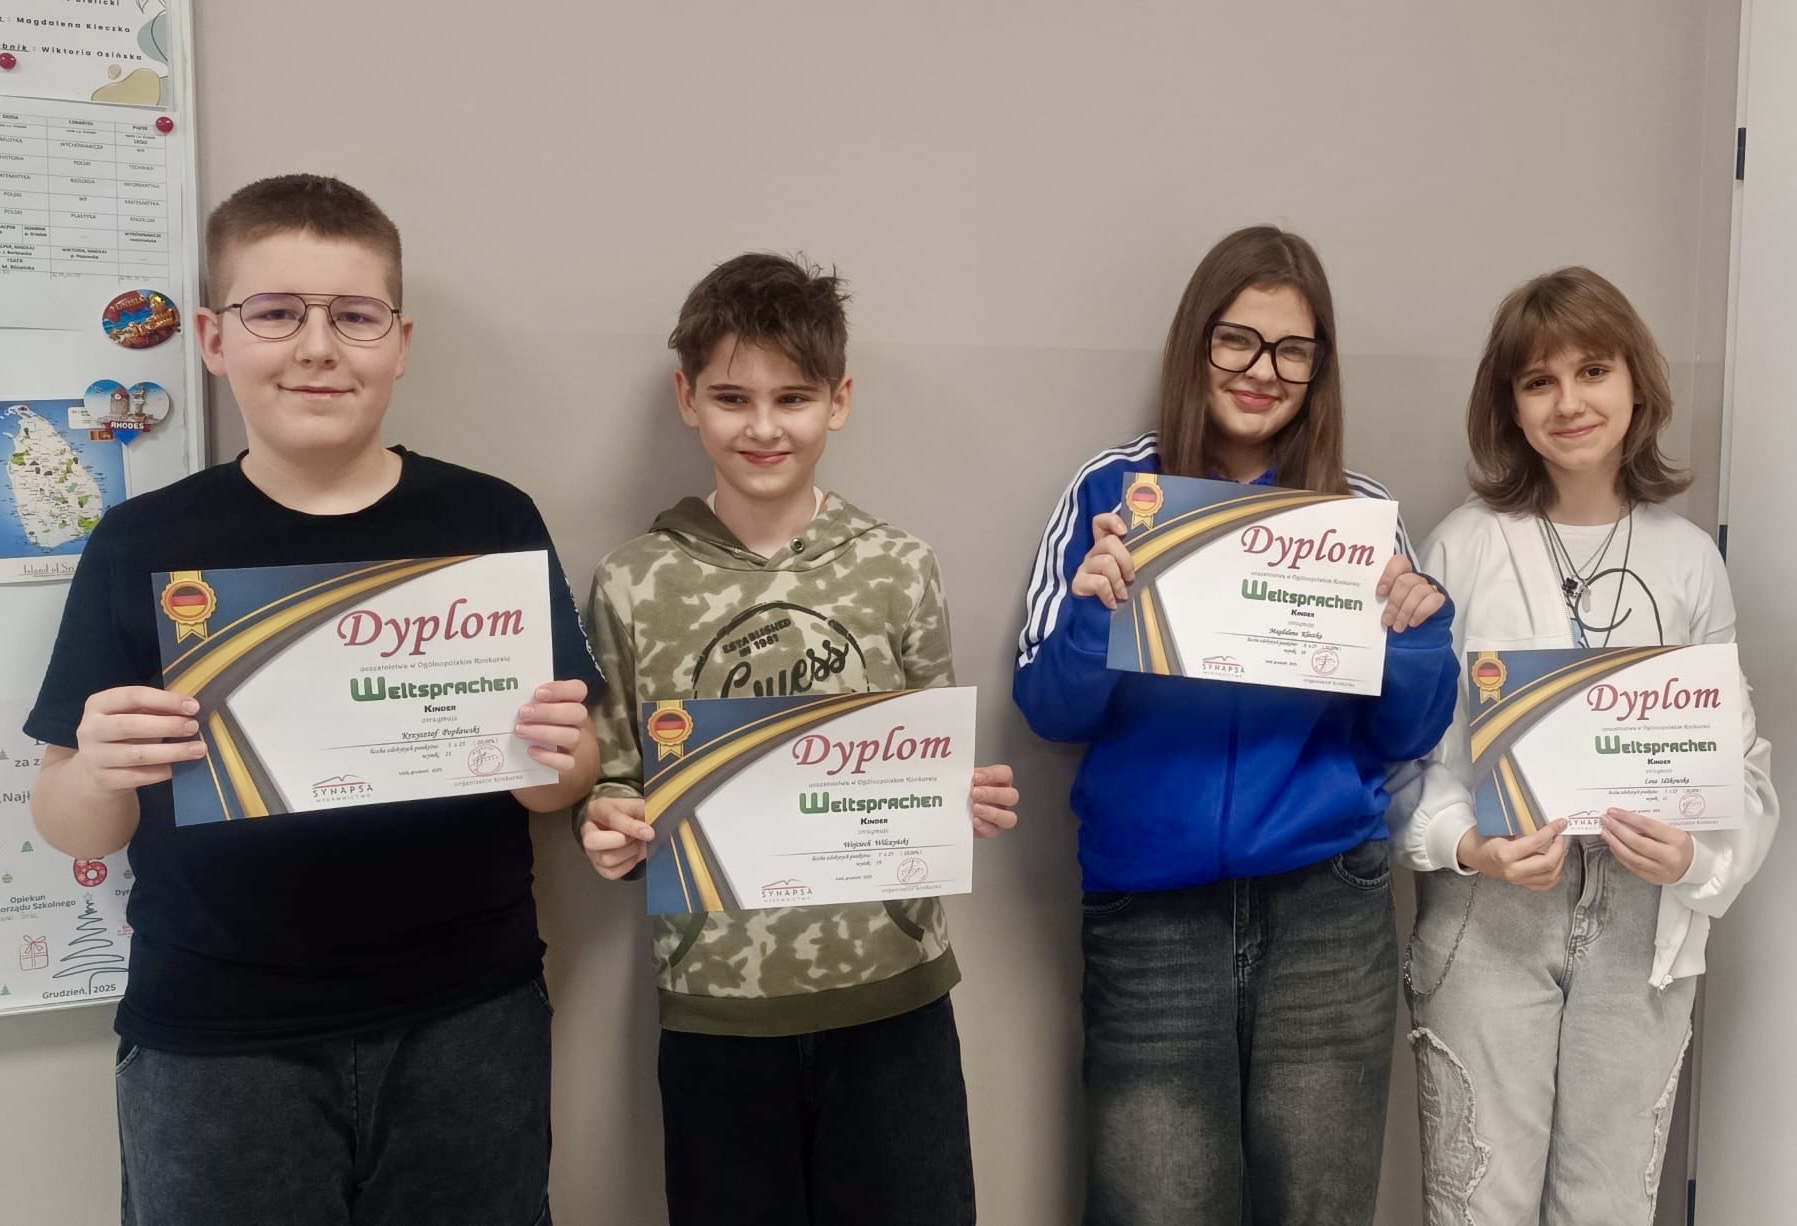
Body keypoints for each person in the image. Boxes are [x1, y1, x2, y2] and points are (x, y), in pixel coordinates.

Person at [25, 174, 602, 1226]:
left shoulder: (490, 519)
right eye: (277, 312)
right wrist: (99, 768)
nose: (318, 347)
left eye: (355, 316)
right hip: (216, 1035)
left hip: (469, 1013)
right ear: (214, 337)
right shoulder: (142, 542)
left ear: (400, 341)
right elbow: (69, 821)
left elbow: (560, 783)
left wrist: (561, 756)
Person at [1012, 224, 1458, 1225]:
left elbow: (1405, 737)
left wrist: (1417, 635)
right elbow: (1046, 709)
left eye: (1293, 350)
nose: (1263, 372)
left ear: (1319, 367)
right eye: (1238, 340)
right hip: (1150, 913)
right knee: (1155, 1205)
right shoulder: (1110, 494)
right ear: (1196, 342)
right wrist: (1093, 611)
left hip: (1327, 907)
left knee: (1320, 1207)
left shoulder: (1358, 514)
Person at [576, 252, 1019, 1226]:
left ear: (839, 401)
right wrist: (606, 822)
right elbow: (613, 776)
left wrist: (958, 798)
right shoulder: (632, 582)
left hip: (893, 999)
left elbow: (926, 756)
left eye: (793, 397)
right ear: (687, 398)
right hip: (716, 1008)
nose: (764, 427)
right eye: (732, 397)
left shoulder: (899, 567)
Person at [1389, 266, 1779, 1224]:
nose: (1568, 403)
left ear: (1635, 383)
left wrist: (1696, 858)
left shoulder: (1688, 560)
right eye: (1538, 381)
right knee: (1477, 1207)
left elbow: (1740, 766)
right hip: (1490, 917)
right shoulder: (1463, 545)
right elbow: (1408, 754)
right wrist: (1466, 845)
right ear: (1510, 407)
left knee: (1607, 1210)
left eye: (1592, 370)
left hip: (1642, 926)